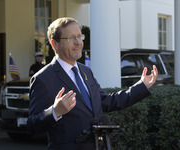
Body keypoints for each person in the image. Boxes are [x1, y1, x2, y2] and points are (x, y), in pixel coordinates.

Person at [27, 17, 158, 150]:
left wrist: (141, 86)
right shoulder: (43, 78)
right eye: (71, 38)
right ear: (55, 44)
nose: (78, 42)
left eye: (79, 36)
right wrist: (55, 112)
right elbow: (32, 125)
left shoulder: (86, 71)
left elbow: (106, 102)